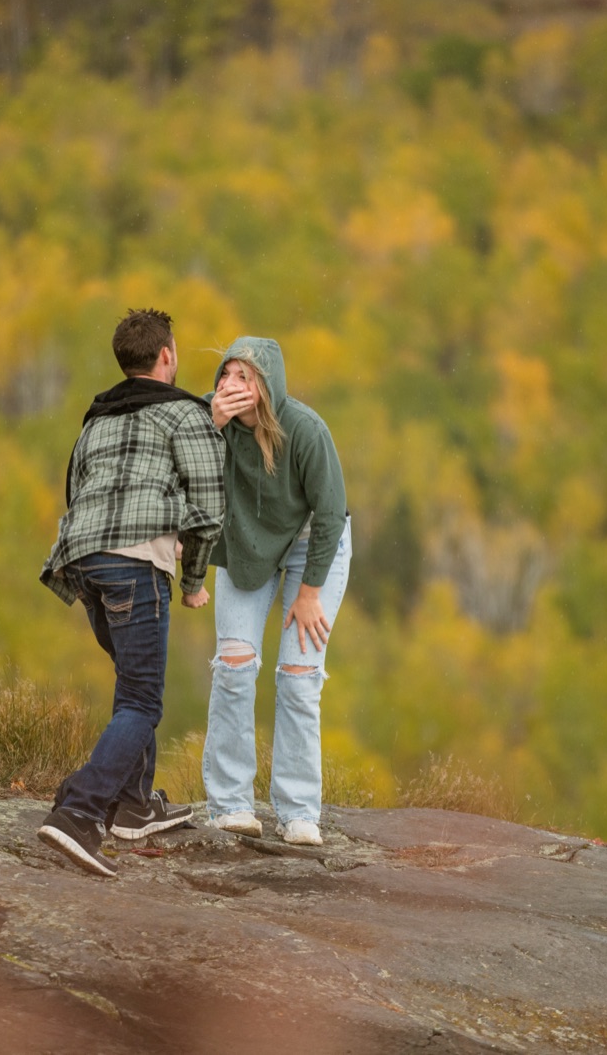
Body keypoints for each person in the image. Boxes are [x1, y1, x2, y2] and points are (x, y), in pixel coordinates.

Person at [36, 308, 226, 877]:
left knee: (130, 683)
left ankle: (134, 805)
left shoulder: (96, 418)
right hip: (136, 562)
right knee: (143, 701)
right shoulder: (186, 414)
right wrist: (193, 583)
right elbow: (209, 508)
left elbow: (74, 489)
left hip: (82, 561)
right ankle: (79, 811)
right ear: (167, 355)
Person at [201, 336, 350, 847]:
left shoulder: (305, 429)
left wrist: (309, 593)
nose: (230, 384)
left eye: (244, 376)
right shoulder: (206, 419)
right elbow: (175, 463)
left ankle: (299, 812)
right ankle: (230, 806)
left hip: (313, 546)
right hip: (247, 540)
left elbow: (331, 513)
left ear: (267, 386)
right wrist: (211, 423)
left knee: (299, 676)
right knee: (234, 666)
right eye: (226, 374)